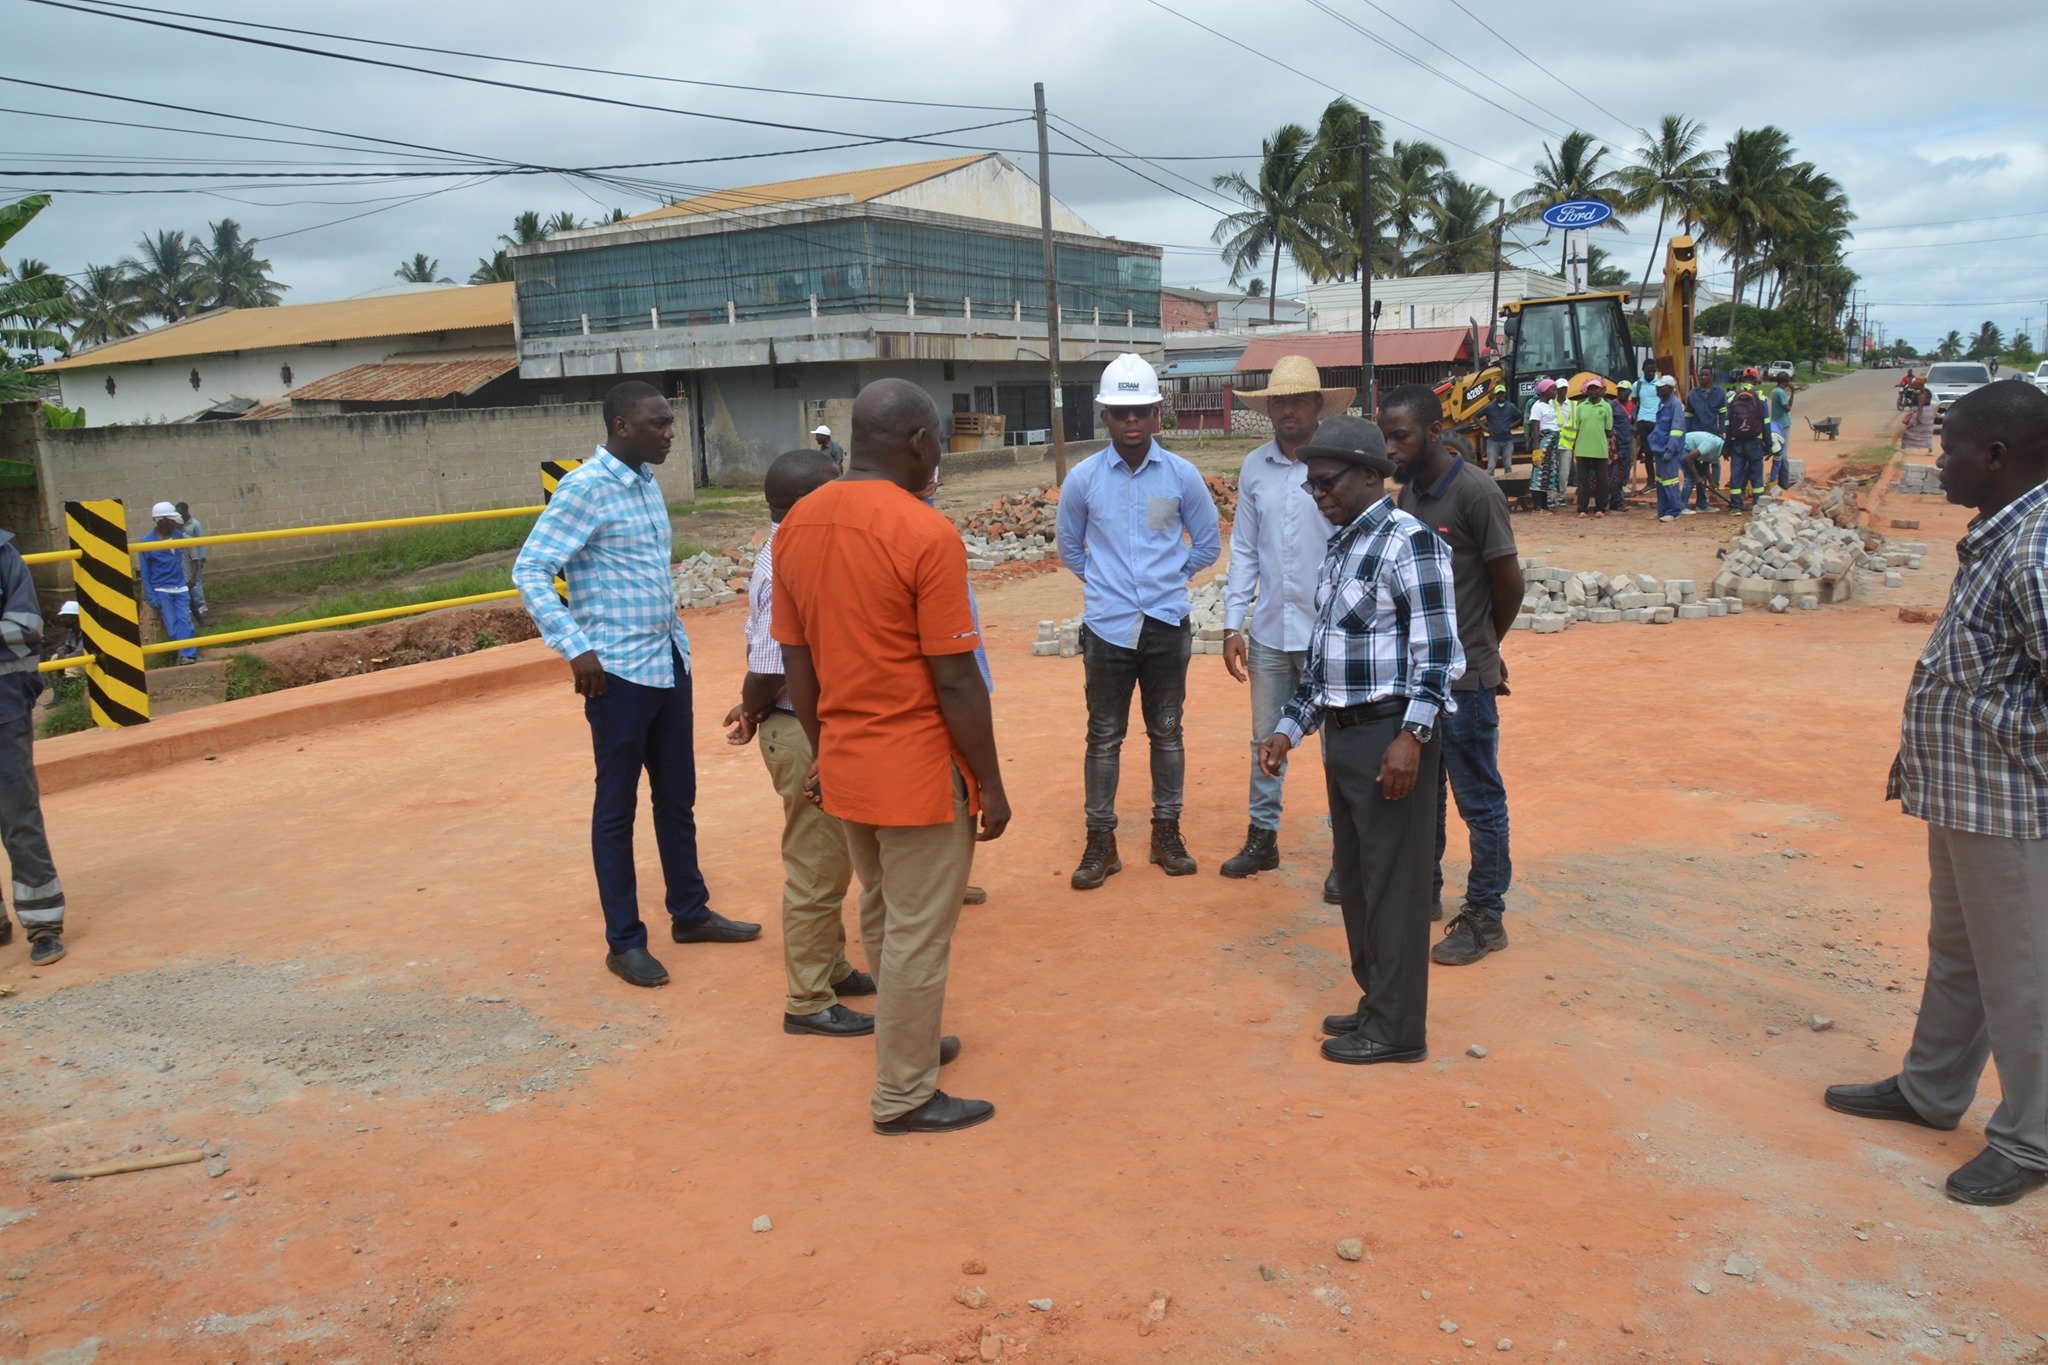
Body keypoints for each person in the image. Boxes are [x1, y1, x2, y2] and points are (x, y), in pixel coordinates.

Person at [1824, 382, 2048, 1208]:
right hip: (1965, 792)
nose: (1937, 458)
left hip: (2012, 801)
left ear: (1996, 457)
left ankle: (2032, 1137)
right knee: (1958, 953)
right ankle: (1931, 1089)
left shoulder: (2037, 546)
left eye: (1949, 447)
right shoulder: (2004, 533)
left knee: (2023, 974)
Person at [772, 377, 1010, 1136]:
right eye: (937, 441)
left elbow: (797, 664)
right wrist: (992, 784)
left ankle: (907, 1041)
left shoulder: (798, 524)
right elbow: (955, 678)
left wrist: (823, 749)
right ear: (918, 443)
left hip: (845, 762)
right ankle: (905, 1090)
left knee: (880, 908)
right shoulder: (924, 533)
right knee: (917, 931)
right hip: (916, 768)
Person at [513, 380, 758, 990]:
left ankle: (690, 912)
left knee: (677, 796)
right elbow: (531, 570)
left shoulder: (647, 483)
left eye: (670, 422)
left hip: (667, 661)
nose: (671, 432)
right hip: (615, 674)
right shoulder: (584, 489)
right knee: (616, 809)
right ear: (623, 426)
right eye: (660, 424)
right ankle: (624, 943)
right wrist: (577, 650)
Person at [1256, 415, 1463, 1065]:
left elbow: (1439, 652)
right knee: (1358, 879)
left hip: (1389, 737)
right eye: (1311, 486)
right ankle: (1378, 1000)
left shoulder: (1411, 542)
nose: (1317, 494)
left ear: (1371, 475)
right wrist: (1289, 729)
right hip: (1343, 736)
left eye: (1327, 482)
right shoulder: (1343, 543)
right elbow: (1323, 662)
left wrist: (1412, 736)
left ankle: (1399, 1028)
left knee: (1395, 884)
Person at [725, 449, 878, 1038]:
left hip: (803, 720)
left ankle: (833, 968)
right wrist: (756, 704)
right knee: (817, 867)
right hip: (798, 727)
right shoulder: (785, 557)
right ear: (812, 501)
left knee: (832, 856)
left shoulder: (796, 546)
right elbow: (770, 665)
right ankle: (808, 999)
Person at [1055, 353, 1221, 889]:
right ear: (1104, 416)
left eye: (1141, 412)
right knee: (1103, 736)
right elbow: (1069, 548)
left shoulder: (1181, 475)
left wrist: (1169, 575)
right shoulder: (1082, 479)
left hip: (1168, 624)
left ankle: (1165, 834)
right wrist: (1107, 586)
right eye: (1121, 412)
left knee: (1167, 732)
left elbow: (1208, 544)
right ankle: (1101, 842)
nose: (1132, 422)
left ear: (1156, 413)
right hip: (1107, 628)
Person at [1383, 385, 1520, 958]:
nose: (1390, 447)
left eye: (1401, 436)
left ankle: (1487, 916)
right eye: (1386, 435)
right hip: (1422, 681)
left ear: (1434, 432)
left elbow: (1507, 584)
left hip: (1464, 683)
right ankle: (1426, 891)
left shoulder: (1476, 493)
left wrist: (1482, 648)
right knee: (1426, 799)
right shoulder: (1409, 493)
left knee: (1478, 799)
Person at [1217, 355, 1350, 891]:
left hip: (1331, 634)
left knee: (1338, 747)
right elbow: (1244, 549)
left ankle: (1349, 852)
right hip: (1271, 630)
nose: (1288, 410)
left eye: (1298, 400)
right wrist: (1232, 624)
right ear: (1269, 408)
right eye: (1279, 401)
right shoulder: (1254, 467)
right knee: (1266, 740)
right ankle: (1262, 838)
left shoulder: (1338, 462)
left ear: (1318, 404)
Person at [1, 528, 66, 965]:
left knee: (18, 816)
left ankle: (43, 923)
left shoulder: (5, 559)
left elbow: (26, 627)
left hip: (3, 708)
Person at [136, 503, 198, 664]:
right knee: (172, 623)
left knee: (185, 619)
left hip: (180, 586)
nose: (175, 523)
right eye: (172, 520)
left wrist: (190, 577)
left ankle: (188, 654)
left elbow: (190, 553)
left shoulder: (178, 535)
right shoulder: (146, 542)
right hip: (162, 589)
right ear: (161, 521)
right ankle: (183, 653)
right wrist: (151, 594)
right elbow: (145, 571)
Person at [1564, 376, 1615, 519]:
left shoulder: (1606, 407)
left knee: (1602, 480)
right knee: (1582, 480)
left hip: (1600, 449)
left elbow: (1608, 429)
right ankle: (1582, 508)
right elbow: (1577, 427)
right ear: (1587, 390)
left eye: (1596, 388)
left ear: (1601, 390)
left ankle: (1601, 508)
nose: (1593, 391)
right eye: (1591, 388)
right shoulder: (1581, 407)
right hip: (1582, 449)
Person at [1723, 368, 1771, 513]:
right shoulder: (1761, 398)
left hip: (1737, 442)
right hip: (1755, 441)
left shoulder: (1732, 398)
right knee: (1756, 475)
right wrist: (1768, 444)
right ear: (1755, 381)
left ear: (1743, 380)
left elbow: (1728, 423)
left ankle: (1737, 507)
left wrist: (1727, 446)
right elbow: (1766, 422)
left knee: (1736, 475)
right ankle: (1758, 507)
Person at [1683, 371, 1727, 512]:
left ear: (1711, 376)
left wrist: (1722, 430)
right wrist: (1686, 433)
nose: (1703, 377)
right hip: (1695, 437)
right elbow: (1688, 415)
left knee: (1710, 465)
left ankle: (1707, 497)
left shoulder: (1719, 392)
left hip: (1712, 434)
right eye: (1701, 375)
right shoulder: (1692, 394)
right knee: (1695, 474)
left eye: (1706, 375)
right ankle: (1695, 503)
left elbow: (1722, 413)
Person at [1647, 375, 1687, 522]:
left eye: (1661, 387)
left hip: (1667, 451)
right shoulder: (1662, 403)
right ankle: (1662, 510)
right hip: (1659, 449)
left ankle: (1674, 511)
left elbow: (1676, 430)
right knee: (1661, 482)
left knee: (1670, 481)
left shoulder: (1675, 405)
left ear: (1669, 388)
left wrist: (1670, 451)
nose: (1657, 389)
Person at [39, 600, 83, 710]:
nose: (61, 620)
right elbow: (67, 646)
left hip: (88, 663)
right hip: (76, 659)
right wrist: (62, 650)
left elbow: (80, 652)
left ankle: (73, 698)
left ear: (74, 618)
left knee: (71, 667)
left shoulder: (86, 631)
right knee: (54, 659)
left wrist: (65, 659)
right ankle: (59, 696)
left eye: (65, 617)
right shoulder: (73, 632)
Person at [1527, 378, 1560, 510]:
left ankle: (1545, 505)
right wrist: (1537, 450)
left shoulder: (1550, 406)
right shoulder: (1537, 406)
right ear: (1545, 391)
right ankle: (1537, 506)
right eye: (1553, 389)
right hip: (1543, 444)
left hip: (1552, 445)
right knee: (1539, 474)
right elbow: (1535, 428)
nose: (1556, 392)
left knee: (1547, 474)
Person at [175, 501, 208, 621]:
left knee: (196, 582)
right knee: (188, 585)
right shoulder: (180, 527)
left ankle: (201, 604)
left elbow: (200, 541)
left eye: (180, 511)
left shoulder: (195, 524)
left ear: (186, 510)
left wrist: (202, 557)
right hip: (186, 560)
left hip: (195, 558)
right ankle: (193, 609)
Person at [1477, 384, 1519, 475]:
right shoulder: (1489, 407)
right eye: (1499, 394)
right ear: (1495, 395)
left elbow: (1521, 417)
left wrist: (1512, 425)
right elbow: (1476, 417)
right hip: (1493, 441)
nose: (1501, 396)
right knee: (1491, 466)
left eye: (1502, 393)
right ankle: (1491, 486)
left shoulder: (1511, 407)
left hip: (1507, 441)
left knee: (1508, 466)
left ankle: (1508, 486)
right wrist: (1484, 428)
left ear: (1505, 394)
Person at [1606, 382, 1634, 511]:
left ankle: (1616, 499)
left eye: (1624, 390)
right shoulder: (1612, 406)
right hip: (1616, 445)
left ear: (1629, 392)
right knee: (1616, 472)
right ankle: (1618, 500)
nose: (1621, 393)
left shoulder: (1631, 406)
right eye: (1619, 390)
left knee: (1625, 473)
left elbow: (1634, 422)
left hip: (1628, 444)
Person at [1632, 364, 1661, 479]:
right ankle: (1651, 480)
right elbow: (1634, 404)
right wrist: (1635, 422)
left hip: (1657, 422)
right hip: (1643, 421)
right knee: (1648, 452)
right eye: (1649, 370)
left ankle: (1660, 478)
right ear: (1643, 370)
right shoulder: (1637, 385)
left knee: (1658, 451)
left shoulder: (1660, 383)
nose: (1651, 373)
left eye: (1654, 370)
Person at [1901, 385, 1935, 453]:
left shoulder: (1921, 394)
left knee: (1908, 430)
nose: (1913, 385)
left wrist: (1918, 418)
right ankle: (1930, 449)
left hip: (1919, 412)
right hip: (1928, 412)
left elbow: (1920, 406)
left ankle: (1903, 447)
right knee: (1927, 432)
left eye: (1915, 383)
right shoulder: (1927, 392)